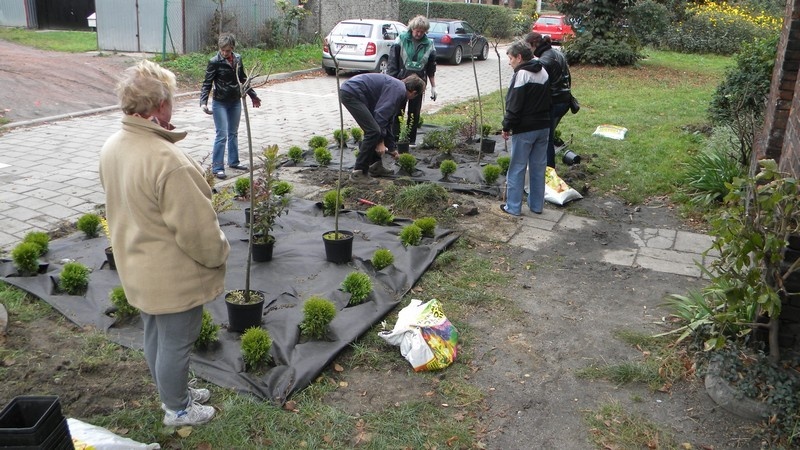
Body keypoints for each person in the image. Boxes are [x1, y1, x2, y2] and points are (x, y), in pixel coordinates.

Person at [100, 60, 230, 427]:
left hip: (137, 266)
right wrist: (219, 253)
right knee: (177, 340)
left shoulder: (114, 145)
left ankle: (172, 390)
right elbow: (196, 231)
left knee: (155, 334)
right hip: (171, 275)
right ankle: (178, 409)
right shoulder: (165, 159)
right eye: (170, 99)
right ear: (160, 106)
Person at [339, 73, 426, 182]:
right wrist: (380, 142)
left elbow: (388, 121)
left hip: (357, 92)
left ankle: (376, 166)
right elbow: (380, 115)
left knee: (374, 128)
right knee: (373, 131)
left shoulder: (397, 88)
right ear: (413, 92)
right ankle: (358, 173)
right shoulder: (398, 90)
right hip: (352, 92)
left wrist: (391, 148)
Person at [200, 33, 261, 180]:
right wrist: (203, 102)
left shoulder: (238, 59)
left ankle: (234, 162)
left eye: (227, 50)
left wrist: (253, 95)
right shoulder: (214, 61)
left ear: (232, 48)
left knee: (233, 133)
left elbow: (243, 79)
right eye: (222, 50)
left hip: (235, 101)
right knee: (222, 134)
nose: (224, 53)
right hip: (219, 102)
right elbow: (207, 83)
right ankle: (217, 168)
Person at [500, 40, 551, 216]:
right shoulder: (543, 71)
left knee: (517, 167)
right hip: (544, 126)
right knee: (538, 168)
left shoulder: (522, 74)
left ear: (519, 57)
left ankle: (513, 207)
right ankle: (537, 206)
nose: (509, 62)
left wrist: (507, 125)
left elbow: (514, 105)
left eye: (511, 58)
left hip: (525, 129)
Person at [387, 15, 438, 146]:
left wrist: (433, 86)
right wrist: (390, 82)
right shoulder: (401, 40)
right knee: (397, 111)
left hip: (418, 84)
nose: (419, 34)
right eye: (417, 31)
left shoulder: (429, 44)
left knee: (414, 113)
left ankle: (411, 140)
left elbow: (431, 67)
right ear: (412, 28)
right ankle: (395, 139)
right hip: (400, 81)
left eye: (422, 31)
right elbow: (392, 64)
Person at [525, 32, 572, 168]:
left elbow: (538, 78)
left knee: (546, 140)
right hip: (564, 99)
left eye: (529, 47)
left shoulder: (545, 60)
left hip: (555, 102)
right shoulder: (556, 53)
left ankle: (549, 172)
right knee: (547, 137)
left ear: (534, 45)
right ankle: (547, 170)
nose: (529, 51)